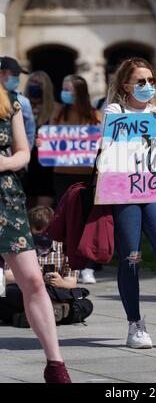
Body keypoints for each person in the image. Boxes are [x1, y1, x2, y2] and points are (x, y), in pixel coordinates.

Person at [104, 57, 156, 350]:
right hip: (125, 192)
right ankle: (135, 325)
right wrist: (155, 120)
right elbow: (114, 131)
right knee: (131, 256)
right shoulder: (114, 110)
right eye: (140, 81)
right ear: (126, 85)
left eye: (151, 81)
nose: (147, 86)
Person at [0, 72, 71, 383]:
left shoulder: (9, 101)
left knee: (32, 279)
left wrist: (3, 163)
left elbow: (23, 153)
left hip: (6, 198)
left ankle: (55, 364)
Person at [1, 206, 93, 326]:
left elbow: (71, 282)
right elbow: (6, 277)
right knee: (6, 293)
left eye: (46, 230)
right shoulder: (19, 245)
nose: (42, 234)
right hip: (25, 291)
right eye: (38, 230)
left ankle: (29, 317)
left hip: (53, 292)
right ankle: (54, 314)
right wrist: (37, 278)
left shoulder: (64, 246)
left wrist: (59, 282)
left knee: (86, 305)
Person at [50, 75, 101, 284]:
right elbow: (51, 136)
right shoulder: (59, 112)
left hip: (85, 172)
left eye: (68, 89)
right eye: (63, 88)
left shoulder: (93, 115)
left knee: (85, 219)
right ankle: (69, 265)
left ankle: (87, 266)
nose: (64, 92)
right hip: (62, 171)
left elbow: (99, 141)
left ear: (79, 91)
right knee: (65, 219)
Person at [25, 71, 55, 207]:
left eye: (39, 83)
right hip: (24, 167)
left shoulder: (55, 110)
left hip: (45, 170)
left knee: (43, 216)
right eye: (32, 82)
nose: (35, 86)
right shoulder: (19, 107)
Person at [0, 56, 35, 149]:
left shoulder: (22, 102)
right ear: (1, 73)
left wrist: (23, 155)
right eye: (13, 74)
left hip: (13, 156)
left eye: (18, 75)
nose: (16, 78)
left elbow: (30, 132)